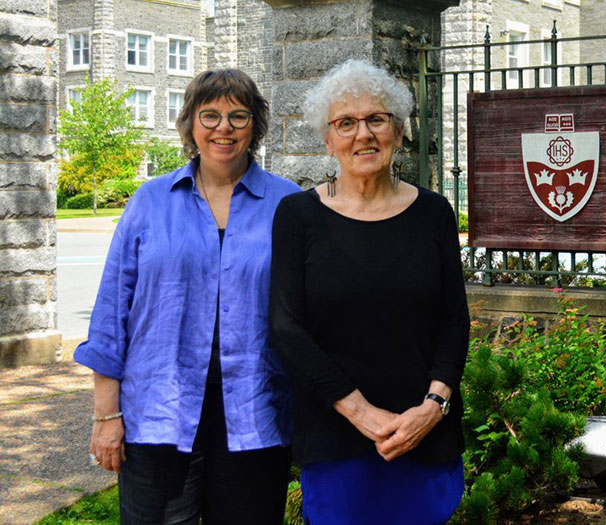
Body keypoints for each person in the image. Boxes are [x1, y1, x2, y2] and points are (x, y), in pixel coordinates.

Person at [74, 69, 300, 524]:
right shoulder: (150, 200)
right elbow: (112, 312)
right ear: (190, 123)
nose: (224, 128)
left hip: (255, 414)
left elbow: (311, 314)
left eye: (238, 116)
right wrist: (106, 417)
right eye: (210, 115)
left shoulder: (289, 204)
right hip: (158, 413)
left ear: (255, 125)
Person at [269, 59, 470, 525]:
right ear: (327, 139)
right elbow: (285, 327)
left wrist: (433, 407)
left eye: (376, 119)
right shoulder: (297, 216)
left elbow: (454, 320)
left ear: (398, 133)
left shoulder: (434, 213)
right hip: (337, 438)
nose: (363, 134)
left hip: (424, 433)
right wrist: (362, 414)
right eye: (346, 123)